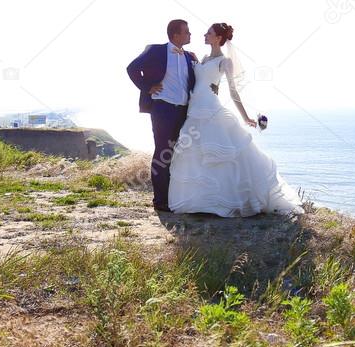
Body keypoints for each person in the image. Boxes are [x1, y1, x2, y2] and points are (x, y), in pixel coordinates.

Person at [167, 22, 304, 217]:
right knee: (195, 154)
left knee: (218, 154)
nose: (204, 34)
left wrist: (245, 116)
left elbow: (233, 91)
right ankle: (201, 201)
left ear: (218, 38)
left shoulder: (225, 62)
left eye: (209, 32)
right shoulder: (202, 58)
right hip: (195, 109)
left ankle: (226, 200)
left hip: (211, 109)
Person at [125, 18, 197, 212]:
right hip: (162, 109)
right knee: (162, 153)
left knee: (178, 154)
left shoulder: (190, 57)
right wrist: (147, 87)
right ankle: (160, 201)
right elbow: (132, 68)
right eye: (187, 31)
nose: (190, 34)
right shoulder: (155, 50)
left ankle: (175, 197)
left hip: (184, 111)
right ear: (176, 35)